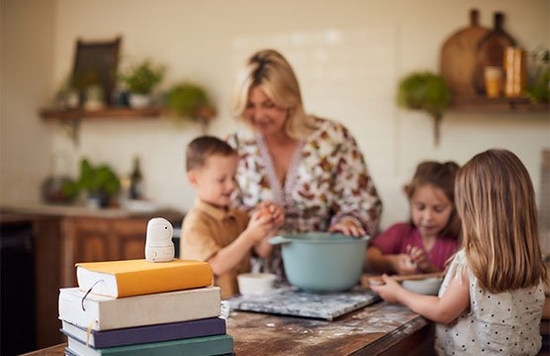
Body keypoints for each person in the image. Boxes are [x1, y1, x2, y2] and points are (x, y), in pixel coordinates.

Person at [370, 149, 547, 355]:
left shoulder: (471, 260)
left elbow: (443, 311)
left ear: (473, 209)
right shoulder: (529, 260)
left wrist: (399, 294)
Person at [227, 49, 382, 276]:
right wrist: (257, 219)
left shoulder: (332, 137)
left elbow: (364, 200)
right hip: (256, 280)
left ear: (289, 99)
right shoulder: (236, 145)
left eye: (269, 104)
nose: (259, 115)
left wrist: (349, 222)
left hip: (324, 270)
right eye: (250, 105)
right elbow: (222, 211)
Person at [179, 135, 284, 299]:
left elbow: (262, 251)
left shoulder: (238, 216)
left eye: (233, 177)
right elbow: (216, 265)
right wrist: (249, 236)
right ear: (194, 179)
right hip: (208, 311)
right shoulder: (196, 222)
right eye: (221, 179)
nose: (231, 185)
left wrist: (270, 224)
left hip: (238, 306)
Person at [365, 161, 461, 275]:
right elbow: (367, 258)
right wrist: (391, 262)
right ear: (410, 202)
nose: (428, 217)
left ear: (454, 207)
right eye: (420, 208)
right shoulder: (399, 232)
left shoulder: (458, 244)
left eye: (438, 209)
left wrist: (429, 269)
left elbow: (455, 284)